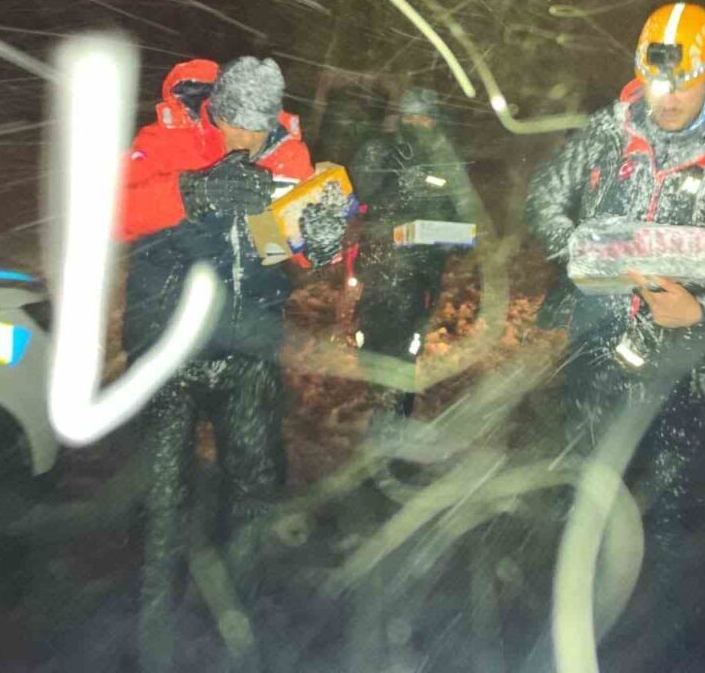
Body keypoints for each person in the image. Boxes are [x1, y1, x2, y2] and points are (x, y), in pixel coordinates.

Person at [526, 2, 705, 541]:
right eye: (655, 84)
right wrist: (586, 252)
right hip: (595, 352)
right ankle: (583, 574)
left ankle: (662, 572)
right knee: (586, 496)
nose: (667, 99)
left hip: (688, 370)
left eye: (682, 85)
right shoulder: (607, 135)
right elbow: (544, 198)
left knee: (671, 510)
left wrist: (700, 309)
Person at [121, 56, 347, 673]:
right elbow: (116, 212)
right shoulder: (164, 138)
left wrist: (320, 243)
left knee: (256, 483)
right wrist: (193, 192)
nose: (243, 138)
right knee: (163, 492)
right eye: (233, 123)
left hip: (248, 344)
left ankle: (241, 619)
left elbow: (284, 247)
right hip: (168, 345)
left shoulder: (288, 154)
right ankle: (153, 625)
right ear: (214, 110)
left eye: (257, 126)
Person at [350, 87, 478, 416]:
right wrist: (395, 190)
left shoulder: (448, 163)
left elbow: (467, 228)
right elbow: (362, 196)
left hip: (421, 273)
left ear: (435, 121)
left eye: (424, 118)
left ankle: (396, 412)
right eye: (410, 117)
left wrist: (432, 233)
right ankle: (379, 395)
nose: (417, 123)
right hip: (380, 266)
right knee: (371, 340)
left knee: (405, 348)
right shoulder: (382, 151)